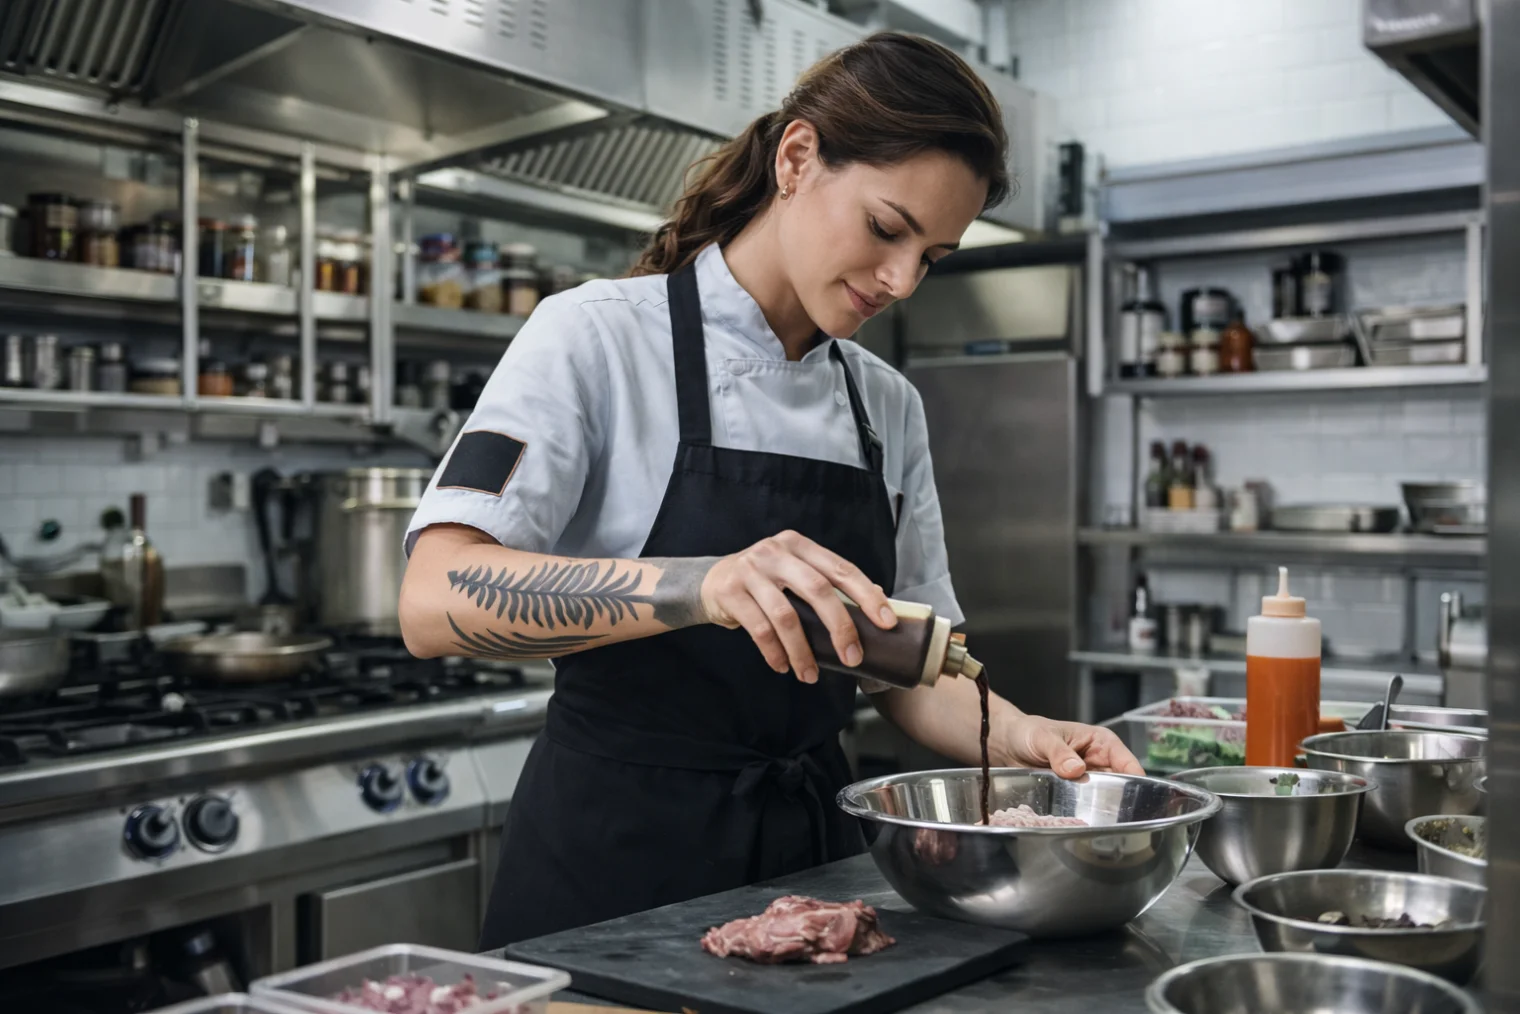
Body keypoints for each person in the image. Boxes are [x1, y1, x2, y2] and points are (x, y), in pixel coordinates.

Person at [399, 31, 1143, 949]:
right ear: (797, 159)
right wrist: (701, 584)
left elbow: (908, 668)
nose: (901, 280)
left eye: (933, 256)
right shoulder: (594, 339)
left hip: (810, 877)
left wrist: (1026, 739)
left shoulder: (885, 406)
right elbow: (432, 601)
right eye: (887, 228)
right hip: (611, 871)